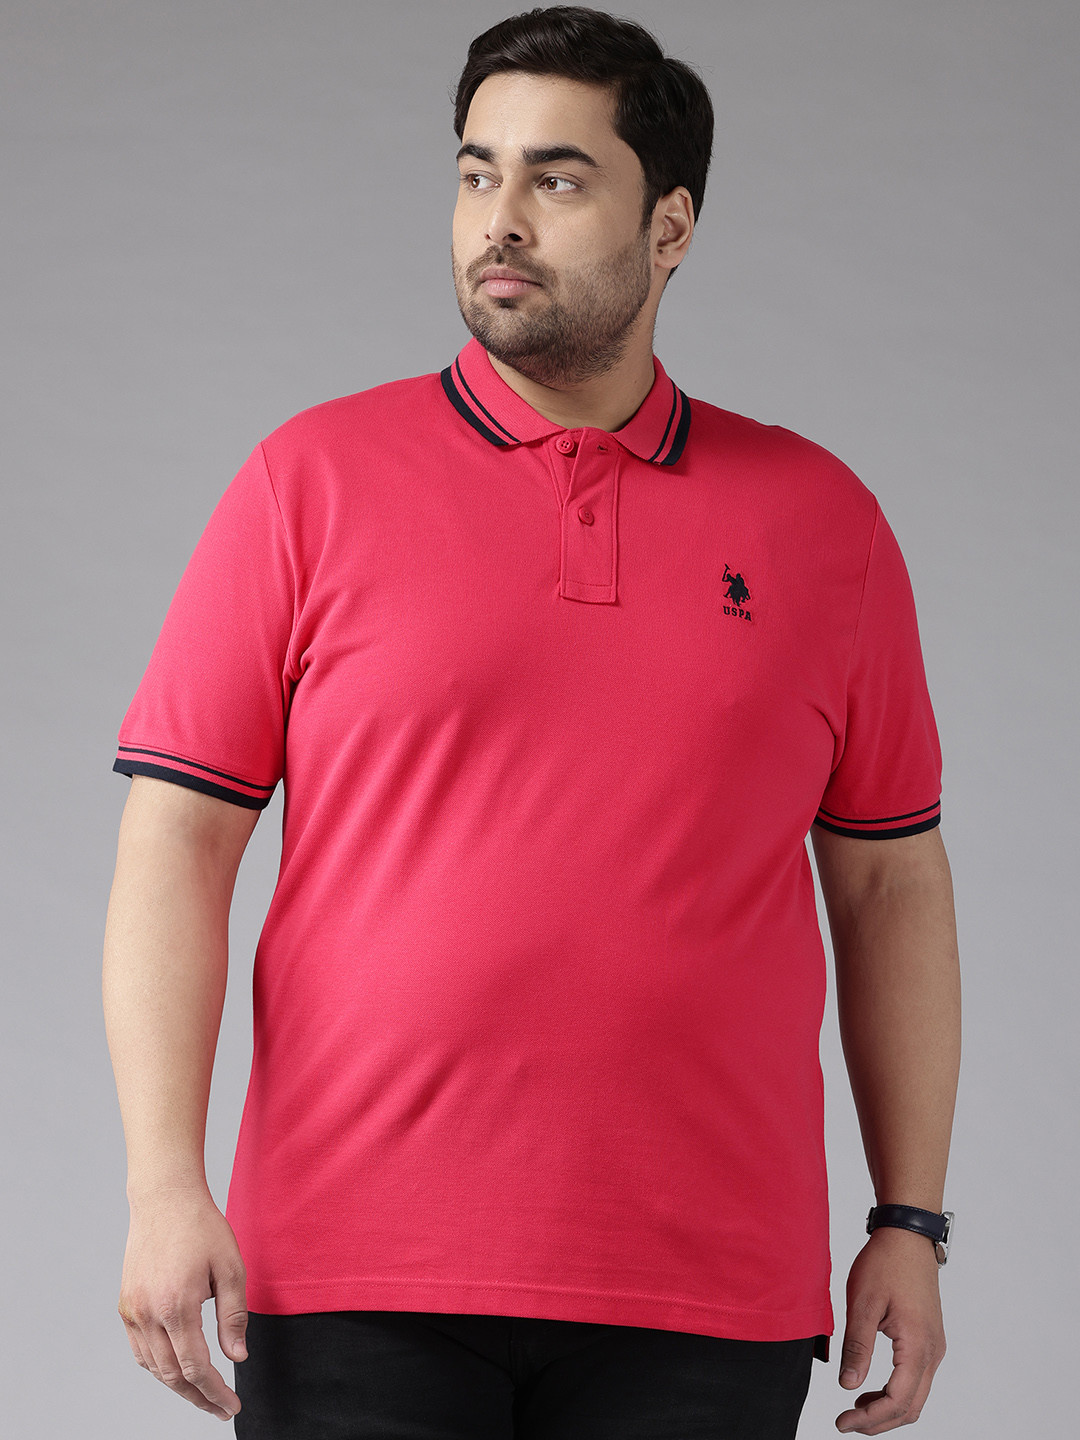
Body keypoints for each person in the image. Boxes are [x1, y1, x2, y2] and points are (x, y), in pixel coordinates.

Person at [102, 6, 961, 1437]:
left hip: (707, 1295)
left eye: (558, 179)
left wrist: (910, 1220)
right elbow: (174, 846)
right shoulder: (308, 482)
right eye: (475, 172)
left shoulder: (825, 525)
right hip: (352, 1276)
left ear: (670, 225)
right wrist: (160, 1187)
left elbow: (890, 884)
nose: (500, 219)